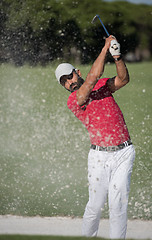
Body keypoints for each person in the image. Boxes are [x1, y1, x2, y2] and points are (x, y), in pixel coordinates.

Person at [55, 35, 135, 239]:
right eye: (64, 82)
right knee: (96, 205)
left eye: (70, 76)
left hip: (124, 152)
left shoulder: (102, 85)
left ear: (76, 72)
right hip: (99, 157)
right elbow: (91, 79)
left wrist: (117, 57)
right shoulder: (75, 100)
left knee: (118, 204)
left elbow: (123, 79)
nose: (69, 82)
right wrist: (105, 48)